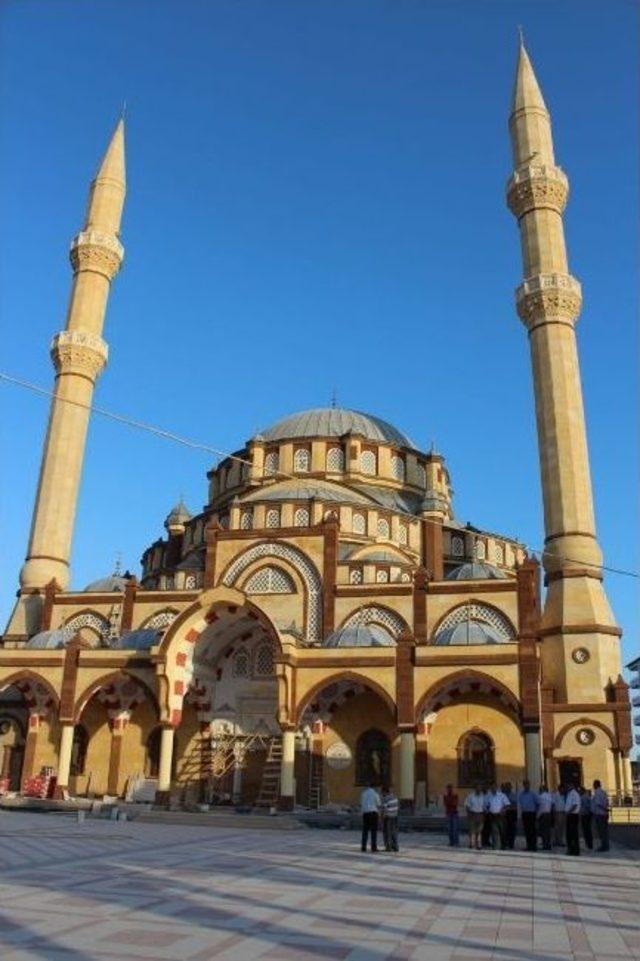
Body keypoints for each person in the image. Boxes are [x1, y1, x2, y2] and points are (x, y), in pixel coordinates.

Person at [485, 783, 509, 850]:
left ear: (497, 787)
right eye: (492, 787)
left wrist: (503, 810)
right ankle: (496, 846)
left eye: (494, 787)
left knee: (502, 831)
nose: (493, 789)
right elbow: (486, 805)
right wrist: (487, 810)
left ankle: (503, 845)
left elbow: (507, 805)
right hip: (492, 816)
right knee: (494, 831)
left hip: (500, 816)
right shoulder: (488, 796)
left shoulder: (502, 795)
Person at [518, 779, 539, 851]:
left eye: (527, 784)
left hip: (532, 813)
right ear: (523, 785)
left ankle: (533, 846)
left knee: (532, 830)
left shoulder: (533, 794)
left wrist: (536, 813)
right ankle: (529, 845)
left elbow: (537, 804)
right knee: (526, 830)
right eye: (525, 784)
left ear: (529, 785)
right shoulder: (521, 794)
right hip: (525, 813)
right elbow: (521, 804)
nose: (526, 786)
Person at [360, 783, 381, 852]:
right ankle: (373, 847)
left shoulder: (364, 794)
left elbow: (361, 803)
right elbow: (378, 804)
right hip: (373, 813)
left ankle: (363, 847)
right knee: (373, 831)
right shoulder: (375, 794)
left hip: (365, 813)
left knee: (365, 831)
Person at [591, 779, 610, 852]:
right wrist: (606, 810)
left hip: (599, 814)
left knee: (601, 831)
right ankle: (606, 845)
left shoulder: (597, 793)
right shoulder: (603, 792)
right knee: (605, 831)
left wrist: (604, 809)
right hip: (604, 814)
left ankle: (604, 846)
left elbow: (598, 804)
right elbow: (606, 802)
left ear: (596, 785)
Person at [464, 785, 485, 850]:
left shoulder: (483, 796)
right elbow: (467, 805)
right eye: (477, 788)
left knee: (479, 831)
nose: (479, 789)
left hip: (480, 814)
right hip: (472, 814)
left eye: (480, 788)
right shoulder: (470, 796)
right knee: (472, 830)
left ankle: (479, 844)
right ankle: (472, 843)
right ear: (475, 789)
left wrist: (484, 815)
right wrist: (468, 814)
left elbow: (485, 806)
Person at [381, 785, 399, 852]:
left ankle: (388, 847)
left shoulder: (385, 798)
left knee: (387, 833)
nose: (382, 794)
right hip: (395, 817)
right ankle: (395, 847)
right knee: (394, 832)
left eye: (382, 793)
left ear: (385, 792)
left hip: (388, 817)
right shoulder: (395, 797)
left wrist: (382, 818)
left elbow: (384, 809)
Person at [565, 783, 581, 855]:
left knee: (573, 834)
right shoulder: (570, 793)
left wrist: (568, 812)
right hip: (570, 815)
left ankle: (574, 850)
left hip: (572, 815)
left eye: (568, 786)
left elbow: (575, 805)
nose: (567, 787)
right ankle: (571, 849)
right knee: (570, 834)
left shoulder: (574, 794)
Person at [537, 784, 553, 851]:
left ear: (542, 789)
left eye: (540, 789)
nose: (539, 790)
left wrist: (537, 816)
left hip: (543, 815)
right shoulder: (549, 796)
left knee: (543, 831)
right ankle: (548, 844)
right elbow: (552, 804)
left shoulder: (541, 797)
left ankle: (545, 845)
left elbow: (540, 808)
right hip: (549, 814)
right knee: (548, 831)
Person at [502, 782, 518, 850]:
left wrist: (508, 806)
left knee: (512, 829)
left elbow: (514, 805)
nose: (507, 788)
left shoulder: (513, 795)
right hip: (505, 814)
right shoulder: (503, 795)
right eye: (506, 787)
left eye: (509, 787)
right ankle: (505, 843)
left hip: (512, 813)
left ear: (511, 787)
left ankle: (511, 843)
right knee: (505, 829)